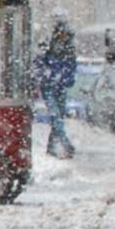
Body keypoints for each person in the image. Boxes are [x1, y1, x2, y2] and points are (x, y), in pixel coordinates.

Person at [37, 18, 78, 158]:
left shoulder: (68, 51)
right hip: (50, 87)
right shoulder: (49, 48)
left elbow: (71, 70)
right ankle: (65, 144)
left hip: (59, 88)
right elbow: (40, 65)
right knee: (56, 117)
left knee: (57, 118)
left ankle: (52, 147)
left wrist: (64, 79)